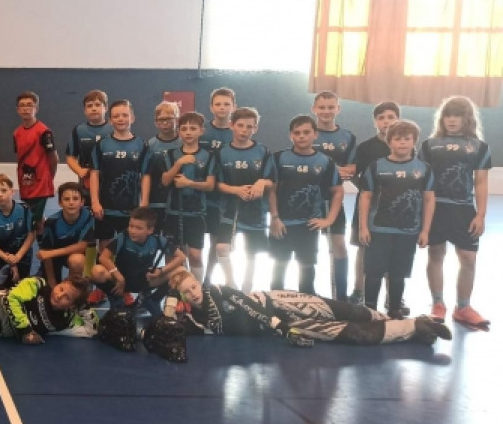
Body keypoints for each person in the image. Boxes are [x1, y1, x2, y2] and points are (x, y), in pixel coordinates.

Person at [170, 268, 450, 347]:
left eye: (194, 286)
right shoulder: (196, 322)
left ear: (199, 282)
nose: (194, 293)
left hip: (277, 304)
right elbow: (167, 324)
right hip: (286, 326)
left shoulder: (218, 290)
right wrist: (170, 308)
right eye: (187, 292)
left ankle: (390, 317)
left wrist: (281, 329)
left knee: (348, 310)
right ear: (182, 296)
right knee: (354, 334)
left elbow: (252, 309)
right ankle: (415, 326)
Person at [422, 96, 492, 330]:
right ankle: (437, 304)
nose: (452, 120)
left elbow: (481, 182)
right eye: (447, 115)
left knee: (468, 258)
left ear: (467, 118)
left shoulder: (479, 147)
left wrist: (480, 215)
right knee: (436, 253)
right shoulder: (429, 145)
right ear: (442, 118)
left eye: (457, 116)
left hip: (463, 209)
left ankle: (463, 307)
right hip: (436, 208)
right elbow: (422, 181)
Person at [359, 120, 434, 319]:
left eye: (407, 139)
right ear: (389, 141)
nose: (402, 143)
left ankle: (394, 310)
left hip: (408, 231)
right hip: (378, 229)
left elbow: (429, 199)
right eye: (397, 139)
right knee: (374, 272)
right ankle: (370, 310)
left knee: (398, 273)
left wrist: (425, 230)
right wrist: (363, 227)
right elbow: (365, 197)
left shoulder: (423, 168)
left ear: (414, 141)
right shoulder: (376, 166)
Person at [267, 115, 341, 294]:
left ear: (315, 134)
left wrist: (329, 220)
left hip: (309, 225)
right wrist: (275, 218)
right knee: (279, 266)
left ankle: (307, 302)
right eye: (297, 132)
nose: (301, 136)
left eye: (306, 132)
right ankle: (276, 303)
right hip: (282, 223)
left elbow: (337, 191)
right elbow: (271, 190)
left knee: (307, 268)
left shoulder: (325, 161)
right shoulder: (279, 158)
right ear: (290, 135)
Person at [213, 107, 272, 291]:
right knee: (222, 248)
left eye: (249, 127)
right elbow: (217, 184)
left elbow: (271, 180)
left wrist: (262, 182)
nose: (244, 130)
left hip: (255, 210)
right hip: (229, 208)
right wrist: (235, 190)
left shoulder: (263, 151)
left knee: (251, 252)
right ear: (231, 125)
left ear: (255, 129)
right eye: (240, 125)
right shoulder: (222, 152)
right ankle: (231, 284)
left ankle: (247, 286)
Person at [349, 101, 400, 306]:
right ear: (375, 122)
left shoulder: (405, 145)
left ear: (398, 119)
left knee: (392, 250)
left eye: (391, 117)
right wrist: (366, 190)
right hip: (367, 206)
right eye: (381, 118)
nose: (386, 121)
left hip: (394, 208)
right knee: (363, 247)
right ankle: (358, 291)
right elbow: (354, 173)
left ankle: (392, 295)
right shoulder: (365, 148)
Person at [156, 111, 216, 277]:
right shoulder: (171, 155)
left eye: (193, 128)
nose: (188, 132)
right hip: (173, 212)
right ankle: (174, 289)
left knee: (195, 255)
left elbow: (210, 185)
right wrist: (179, 163)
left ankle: (196, 288)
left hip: (197, 213)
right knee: (174, 255)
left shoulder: (209, 156)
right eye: (184, 129)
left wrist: (189, 183)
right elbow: (165, 181)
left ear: (201, 131)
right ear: (179, 131)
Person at [313, 91, 358, 301]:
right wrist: (332, 170)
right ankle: (307, 293)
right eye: (322, 107)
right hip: (307, 198)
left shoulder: (347, 137)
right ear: (314, 109)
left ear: (338, 109)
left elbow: (351, 168)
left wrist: (330, 171)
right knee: (307, 248)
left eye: (331, 107)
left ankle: (341, 298)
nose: (326, 111)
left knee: (339, 246)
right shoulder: (307, 132)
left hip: (334, 199)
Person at [90, 206, 184, 306]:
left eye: (139, 228)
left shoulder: (157, 239)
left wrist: (161, 271)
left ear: (150, 230)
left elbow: (181, 257)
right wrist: (119, 277)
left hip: (146, 280)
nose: (133, 231)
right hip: (121, 279)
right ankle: (117, 299)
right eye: (131, 226)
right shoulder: (123, 237)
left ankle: (153, 300)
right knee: (97, 271)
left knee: (181, 271)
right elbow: (103, 257)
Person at [89, 99, 146, 245]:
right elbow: (94, 174)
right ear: (110, 120)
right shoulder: (102, 144)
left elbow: (145, 175)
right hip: (105, 208)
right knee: (105, 247)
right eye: (116, 116)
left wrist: (144, 202)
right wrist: (95, 202)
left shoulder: (141, 145)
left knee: (128, 246)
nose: (121, 119)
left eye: (125, 115)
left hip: (131, 209)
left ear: (132, 118)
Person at [199, 87, 236, 283]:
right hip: (200, 193)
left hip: (223, 196)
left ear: (233, 107)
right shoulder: (202, 131)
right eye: (218, 104)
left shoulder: (236, 131)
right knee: (194, 241)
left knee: (216, 240)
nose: (222, 107)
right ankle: (192, 279)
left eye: (226, 104)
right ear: (211, 107)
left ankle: (208, 279)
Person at [13, 91, 58, 236]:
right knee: (33, 218)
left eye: (29, 105)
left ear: (36, 108)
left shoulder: (44, 131)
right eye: (22, 106)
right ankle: (45, 240)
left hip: (40, 182)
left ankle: (43, 245)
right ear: (18, 110)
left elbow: (54, 157)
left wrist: (48, 177)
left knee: (33, 219)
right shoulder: (17, 133)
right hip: (25, 182)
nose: (26, 109)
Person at [0, 174, 35, 286]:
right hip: (1, 254)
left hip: (21, 253)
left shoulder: (24, 209)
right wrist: (7, 258)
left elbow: (31, 235)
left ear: (12, 192)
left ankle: (12, 271)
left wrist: (17, 257)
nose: (0, 194)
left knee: (18, 286)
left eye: (4, 190)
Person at [38, 182, 93, 286]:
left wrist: (51, 253)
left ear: (82, 202)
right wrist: (51, 280)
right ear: (60, 203)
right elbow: (46, 252)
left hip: (81, 256)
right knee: (51, 289)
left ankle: (75, 286)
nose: (71, 203)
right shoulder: (51, 222)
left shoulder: (88, 217)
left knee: (77, 261)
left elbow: (82, 246)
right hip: (57, 258)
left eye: (75, 199)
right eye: (66, 199)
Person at [142, 100, 181, 229]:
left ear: (177, 119)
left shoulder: (183, 143)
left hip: (179, 201)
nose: (165, 123)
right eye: (161, 120)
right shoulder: (150, 145)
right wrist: (145, 201)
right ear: (155, 122)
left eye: (169, 119)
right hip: (156, 200)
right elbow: (146, 174)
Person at [65, 90, 109, 189]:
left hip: (110, 182)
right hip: (86, 183)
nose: (94, 109)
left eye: (98, 105)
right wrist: (79, 170)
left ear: (106, 108)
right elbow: (70, 157)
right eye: (89, 106)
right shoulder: (79, 130)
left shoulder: (114, 129)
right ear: (84, 111)